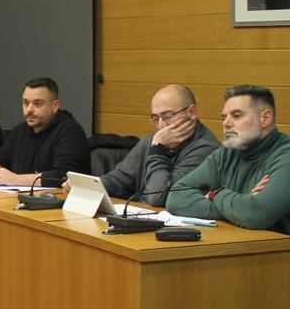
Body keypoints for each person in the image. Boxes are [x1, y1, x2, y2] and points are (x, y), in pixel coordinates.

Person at [167, 85, 290, 233]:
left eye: (236, 116)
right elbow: (176, 198)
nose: (226, 123)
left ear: (265, 119)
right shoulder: (226, 153)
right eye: (224, 117)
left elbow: (256, 214)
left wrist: (215, 194)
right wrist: (241, 205)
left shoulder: (285, 155)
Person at [91, 84, 219, 205]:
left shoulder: (206, 149)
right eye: (156, 119)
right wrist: (89, 186)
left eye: (167, 116)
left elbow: (158, 197)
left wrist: (158, 149)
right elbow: (120, 179)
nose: (161, 125)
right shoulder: (154, 140)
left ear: (192, 112)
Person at [0, 77, 89, 186]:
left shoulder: (70, 131)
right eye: (26, 103)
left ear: (54, 106)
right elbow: (1, 163)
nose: (29, 109)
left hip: (58, 200)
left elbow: (64, 176)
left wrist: (16, 179)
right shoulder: (20, 130)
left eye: (38, 104)